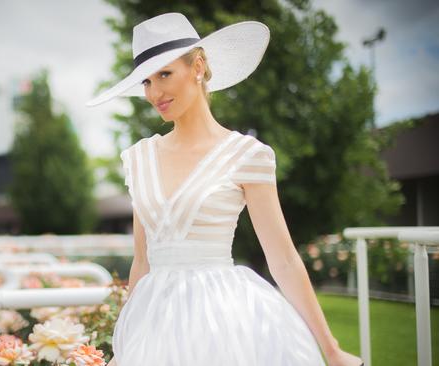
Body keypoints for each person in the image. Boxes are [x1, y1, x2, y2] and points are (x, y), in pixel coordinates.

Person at [86, 13, 364, 366]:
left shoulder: (248, 156)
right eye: (145, 81)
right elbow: (142, 261)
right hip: (156, 327)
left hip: (225, 324)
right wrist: (124, 344)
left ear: (198, 67)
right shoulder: (139, 158)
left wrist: (331, 349)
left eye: (164, 74)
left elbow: (283, 259)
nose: (154, 92)